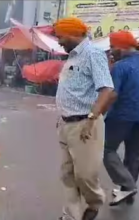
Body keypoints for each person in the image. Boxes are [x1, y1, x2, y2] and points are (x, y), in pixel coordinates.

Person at [54, 17, 115, 220]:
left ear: (73, 33)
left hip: (85, 124)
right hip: (65, 124)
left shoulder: (93, 54)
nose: (59, 41)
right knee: (67, 175)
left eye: (60, 36)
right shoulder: (72, 56)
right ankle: (71, 215)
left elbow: (107, 89)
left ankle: (94, 202)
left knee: (85, 175)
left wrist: (92, 118)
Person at [103, 31, 139, 206]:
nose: (111, 51)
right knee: (133, 155)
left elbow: (111, 94)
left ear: (123, 46)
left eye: (113, 46)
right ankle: (127, 193)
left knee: (106, 150)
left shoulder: (121, 67)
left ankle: (128, 185)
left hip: (121, 116)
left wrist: (97, 114)